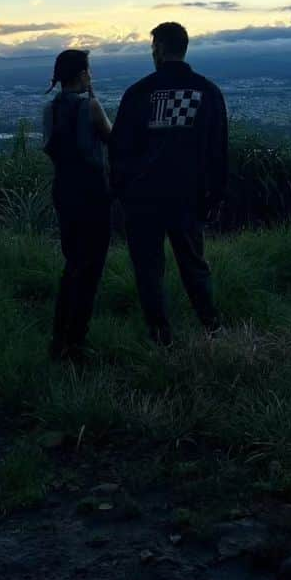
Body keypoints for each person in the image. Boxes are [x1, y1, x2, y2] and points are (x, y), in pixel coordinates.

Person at [109, 21, 228, 345]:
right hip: (188, 196)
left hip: (143, 198)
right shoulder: (207, 91)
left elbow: (119, 148)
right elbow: (218, 149)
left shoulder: (139, 93)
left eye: (152, 47)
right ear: (184, 47)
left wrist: (121, 191)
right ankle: (211, 325)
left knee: (149, 268)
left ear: (159, 48)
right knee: (194, 262)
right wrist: (214, 196)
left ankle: (160, 333)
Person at [42, 48, 113, 361]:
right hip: (93, 194)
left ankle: (60, 337)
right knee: (92, 266)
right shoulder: (92, 107)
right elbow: (114, 140)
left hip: (64, 192)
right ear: (83, 74)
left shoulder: (50, 109)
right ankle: (77, 342)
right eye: (89, 70)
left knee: (72, 264)